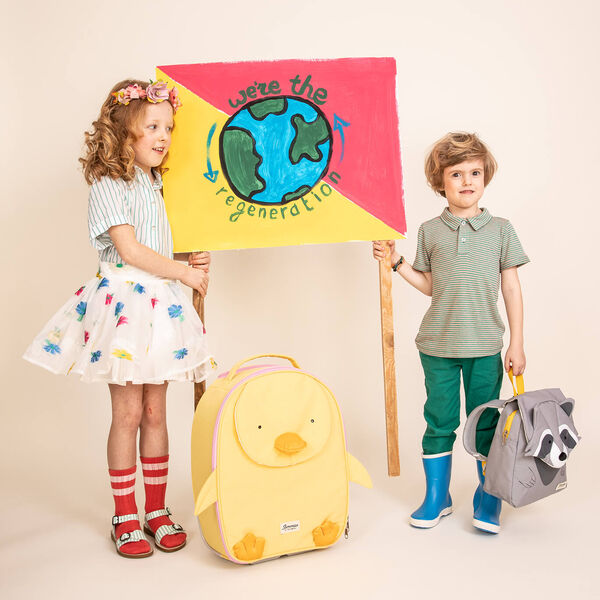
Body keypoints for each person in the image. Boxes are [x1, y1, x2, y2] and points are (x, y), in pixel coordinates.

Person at [23, 80, 217, 557]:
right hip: (127, 305)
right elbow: (129, 251)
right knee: (128, 413)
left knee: (156, 412)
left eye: (168, 127)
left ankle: (157, 510)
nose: (163, 136)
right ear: (123, 130)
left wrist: (187, 258)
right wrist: (183, 273)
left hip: (161, 304)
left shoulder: (157, 182)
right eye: (152, 127)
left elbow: (158, 244)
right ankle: (125, 514)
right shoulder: (109, 183)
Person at [373, 132, 529, 533]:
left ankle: (488, 497)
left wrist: (516, 342)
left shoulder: (501, 230)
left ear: (485, 177)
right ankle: (437, 496)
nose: (467, 181)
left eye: (474, 172)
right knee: (439, 421)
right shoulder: (430, 231)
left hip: (485, 348)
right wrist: (396, 262)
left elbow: (511, 288)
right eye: (456, 174)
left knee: (486, 424)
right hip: (437, 347)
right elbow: (431, 286)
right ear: (440, 182)